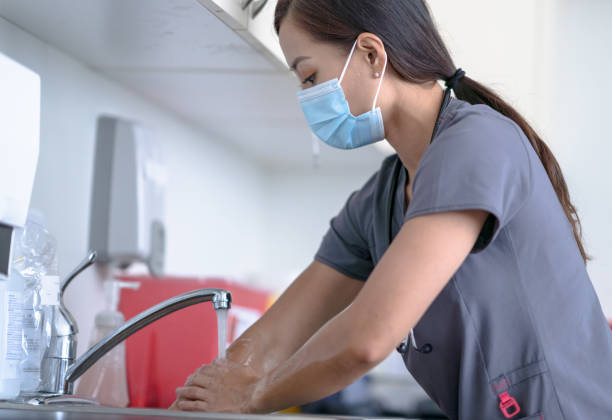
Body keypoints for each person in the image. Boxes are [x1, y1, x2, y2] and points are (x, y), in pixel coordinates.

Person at [170, 1, 612, 419]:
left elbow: (368, 337)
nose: (306, 97)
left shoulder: (477, 143)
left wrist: (252, 397)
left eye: (309, 77)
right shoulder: (379, 199)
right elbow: (275, 339)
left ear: (370, 54)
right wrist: (210, 389)